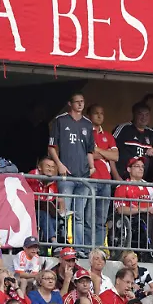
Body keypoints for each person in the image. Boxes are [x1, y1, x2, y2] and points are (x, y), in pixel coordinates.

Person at [48, 92, 96, 254]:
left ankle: (79, 248)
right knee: (64, 213)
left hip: (83, 175)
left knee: (79, 215)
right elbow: (51, 147)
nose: (80, 104)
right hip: (66, 175)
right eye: (77, 102)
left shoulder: (88, 124)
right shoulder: (60, 120)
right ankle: (61, 247)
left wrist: (92, 166)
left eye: (82, 101)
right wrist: (59, 164)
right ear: (70, 103)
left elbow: (90, 149)